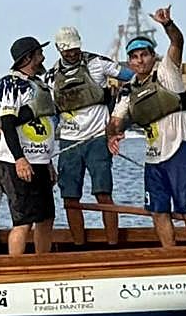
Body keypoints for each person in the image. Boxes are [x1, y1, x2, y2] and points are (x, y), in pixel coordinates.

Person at [107, 5, 186, 247]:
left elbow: (177, 42)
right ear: (129, 61)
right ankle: (170, 255)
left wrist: (167, 24)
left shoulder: (167, 71)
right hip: (153, 157)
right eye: (134, 57)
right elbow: (116, 121)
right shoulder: (128, 90)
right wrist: (113, 135)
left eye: (144, 55)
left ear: (153, 56)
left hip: (181, 148)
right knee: (158, 211)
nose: (140, 60)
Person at [45, 26, 133, 246]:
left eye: (75, 48)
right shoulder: (51, 76)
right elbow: (51, 114)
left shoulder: (97, 63)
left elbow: (132, 78)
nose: (72, 53)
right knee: (70, 197)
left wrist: (121, 105)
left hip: (97, 139)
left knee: (103, 193)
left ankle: (113, 244)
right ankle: (79, 246)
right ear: (58, 49)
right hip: (69, 142)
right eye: (67, 50)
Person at [0, 36, 58, 256]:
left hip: (40, 161)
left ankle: (42, 263)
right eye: (39, 53)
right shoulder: (10, 84)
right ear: (28, 58)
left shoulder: (39, 84)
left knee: (46, 217)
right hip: (17, 162)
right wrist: (19, 159)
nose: (43, 58)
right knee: (23, 221)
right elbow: (7, 124)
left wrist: (48, 162)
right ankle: (16, 267)